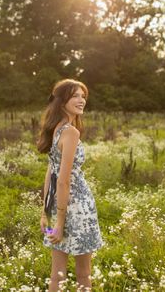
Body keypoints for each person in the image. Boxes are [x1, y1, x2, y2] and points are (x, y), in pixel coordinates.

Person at [37, 79, 104, 292]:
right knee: (83, 275)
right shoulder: (70, 132)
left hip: (59, 206)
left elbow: (51, 175)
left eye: (83, 96)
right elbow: (63, 179)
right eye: (75, 96)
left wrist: (46, 213)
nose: (81, 100)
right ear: (62, 100)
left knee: (57, 275)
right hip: (77, 207)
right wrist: (59, 220)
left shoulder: (55, 129)